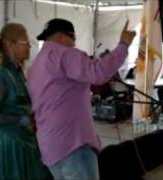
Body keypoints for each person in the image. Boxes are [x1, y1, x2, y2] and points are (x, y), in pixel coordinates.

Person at [27, 18, 136, 180]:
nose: (74, 44)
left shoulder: (37, 63)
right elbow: (97, 72)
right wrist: (123, 45)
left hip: (49, 146)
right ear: (62, 37)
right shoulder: (65, 54)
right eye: (73, 39)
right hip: (72, 146)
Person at [0, 23, 52, 180]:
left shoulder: (17, 71)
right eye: (25, 43)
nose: (29, 47)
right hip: (7, 147)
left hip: (23, 141)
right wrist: (21, 119)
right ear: (11, 45)